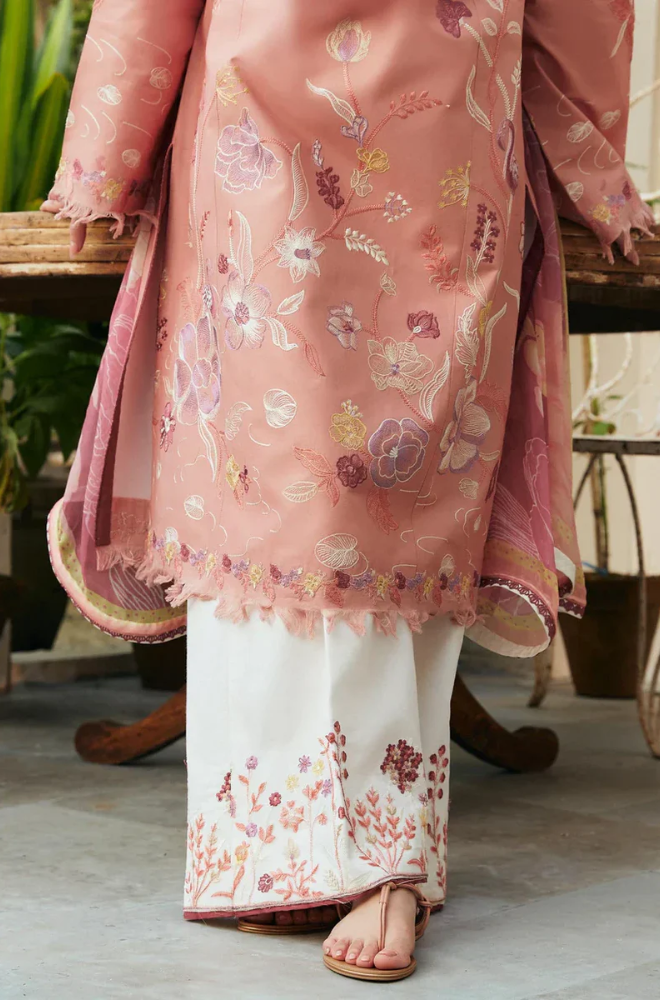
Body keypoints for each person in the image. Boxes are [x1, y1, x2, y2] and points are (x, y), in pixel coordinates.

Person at [43, 0, 651, 983]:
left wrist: (109, 148)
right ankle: (268, 847)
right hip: (290, 119)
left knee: (395, 472)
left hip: (423, 113)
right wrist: (592, 158)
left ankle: (381, 864)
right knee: (281, 474)